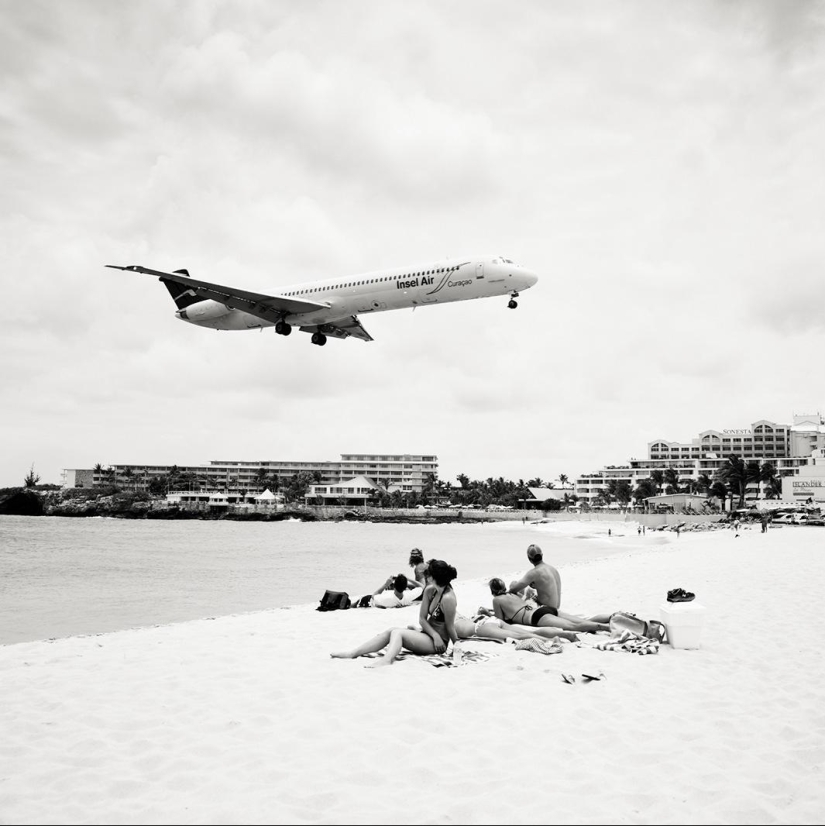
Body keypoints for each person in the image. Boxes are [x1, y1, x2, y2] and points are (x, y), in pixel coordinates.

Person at [330, 559, 459, 666]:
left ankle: (387, 660)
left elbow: (450, 626)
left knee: (398, 633)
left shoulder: (448, 598)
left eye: (428, 574)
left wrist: (457, 647)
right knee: (391, 630)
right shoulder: (430, 590)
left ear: (433, 577)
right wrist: (433, 634)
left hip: (438, 643)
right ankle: (353, 653)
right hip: (429, 635)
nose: (426, 576)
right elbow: (422, 618)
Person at [491, 578, 609, 634]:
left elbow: (500, 621)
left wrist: (487, 614)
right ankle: (610, 619)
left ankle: (607, 627)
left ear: (492, 591)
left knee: (573, 626)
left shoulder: (497, 600)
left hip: (537, 617)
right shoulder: (512, 594)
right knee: (581, 621)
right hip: (543, 609)